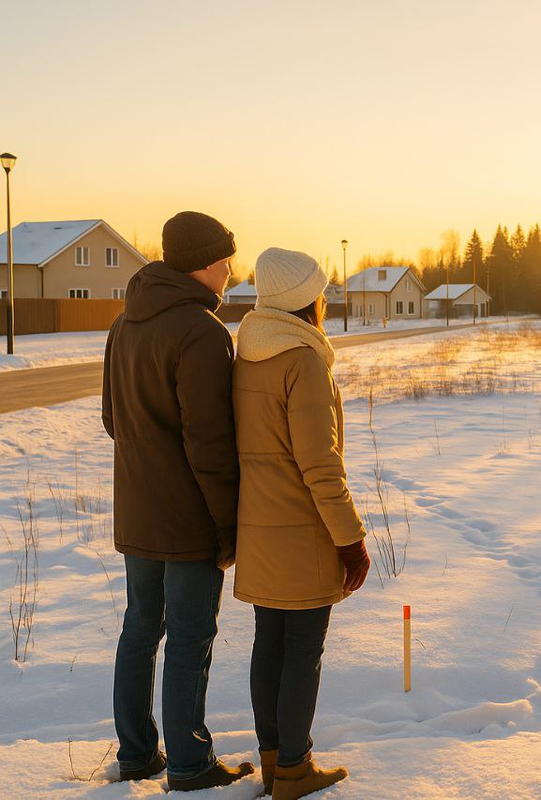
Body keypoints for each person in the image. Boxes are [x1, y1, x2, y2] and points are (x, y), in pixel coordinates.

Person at [102, 211, 255, 790]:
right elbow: (210, 444)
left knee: (141, 627)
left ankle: (137, 754)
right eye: (224, 259)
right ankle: (190, 764)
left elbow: (112, 419)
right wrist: (228, 525)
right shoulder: (201, 333)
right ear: (201, 264)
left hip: (138, 511)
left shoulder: (124, 324)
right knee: (191, 636)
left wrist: (146, 467)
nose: (230, 270)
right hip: (188, 517)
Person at [232, 246, 371, 800]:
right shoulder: (303, 361)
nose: (325, 300)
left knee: (269, 644)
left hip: (259, 531)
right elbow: (320, 464)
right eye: (320, 291)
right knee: (301, 652)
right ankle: (294, 768)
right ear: (303, 301)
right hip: (303, 533)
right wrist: (351, 540)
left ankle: (273, 761)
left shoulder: (250, 355)